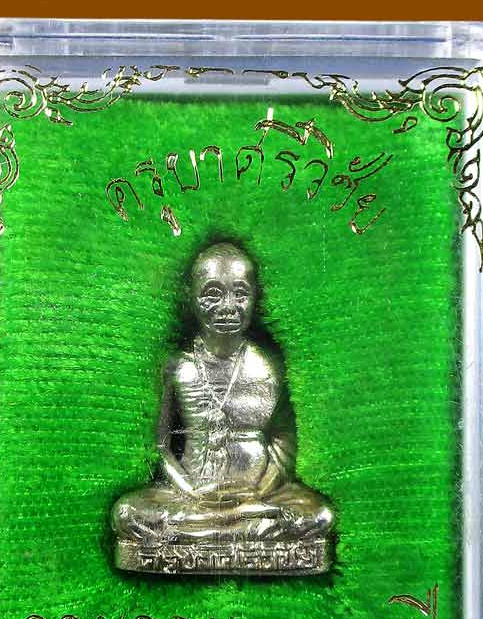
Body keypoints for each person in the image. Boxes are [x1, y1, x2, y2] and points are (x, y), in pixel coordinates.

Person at [112, 242, 334, 573]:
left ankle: (206, 536)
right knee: (127, 514)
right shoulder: (179, 367)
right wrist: (190, 491)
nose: (227, 307)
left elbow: (283, 440)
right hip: (192, 497)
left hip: (259, 499)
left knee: (320, 515)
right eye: (213, 294)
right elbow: (162, 445)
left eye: (240, 294)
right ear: (192, 297)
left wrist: (258, 492)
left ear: (255, 298)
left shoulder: (267, 367)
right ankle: (232, 533)